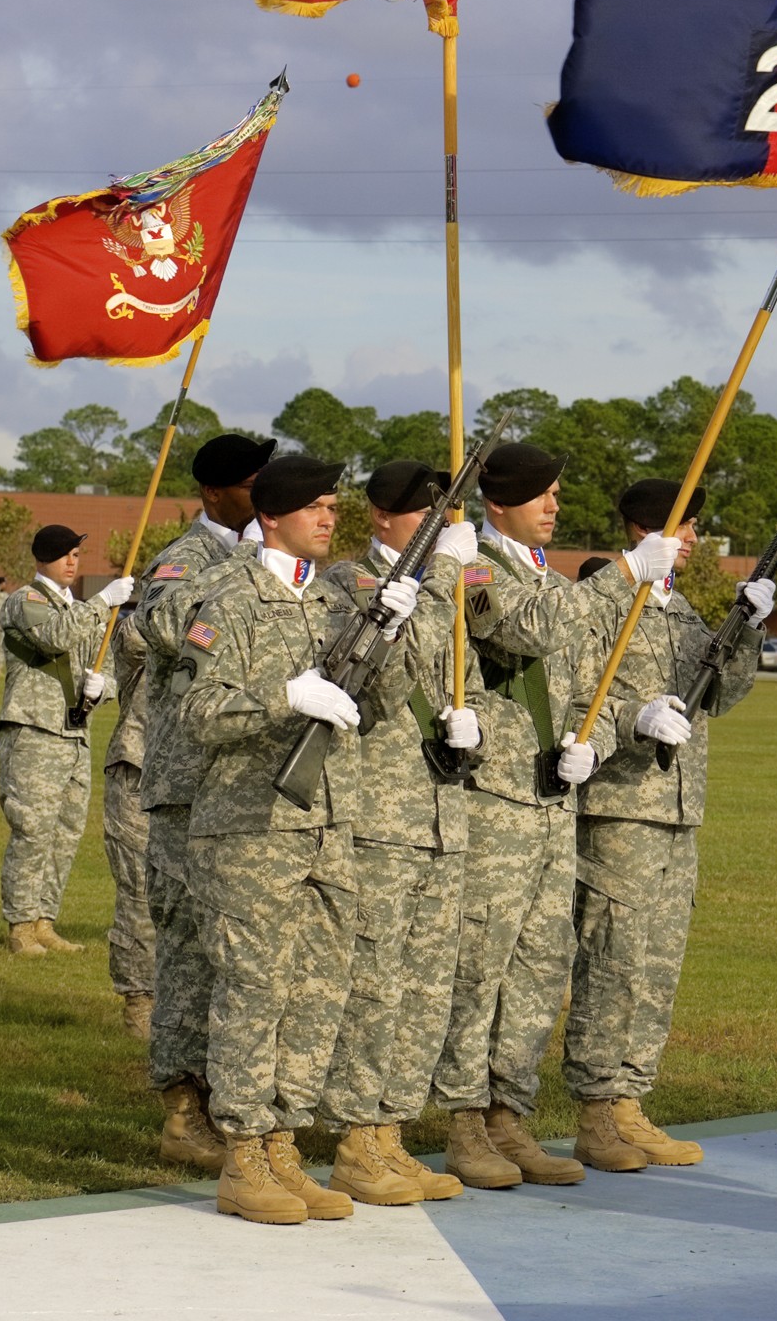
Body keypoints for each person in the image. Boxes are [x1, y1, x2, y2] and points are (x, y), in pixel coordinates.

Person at [177, 454, 426, 1226]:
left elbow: (382, 707)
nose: (329, 518)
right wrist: (283, 698)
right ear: (274, 515)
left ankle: (285, 1144)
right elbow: (199, 715)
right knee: (254, 994)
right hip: (248, 829)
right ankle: (243, 1154)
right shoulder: (227, 594)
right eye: (316, 507)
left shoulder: (335, 600)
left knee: (316, 997)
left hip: (327, 825)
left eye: (333, 507)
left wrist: (394, 631)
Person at [433, 442, 680, 1190]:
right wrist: (622, 579)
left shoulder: (549, 578)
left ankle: (511, 1114)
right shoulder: (473, 570)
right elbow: (521, 631)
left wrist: (597, 741)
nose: (554, 506)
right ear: (499, 502)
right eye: (541, 494)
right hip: (495, 803)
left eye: (558, 494)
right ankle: (464, 1121)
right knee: (480, 965)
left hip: (552, 803)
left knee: (539, 970)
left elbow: (584, 694)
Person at [563, 479, 770, 1170]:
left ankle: (630, 1101)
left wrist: (748, 627)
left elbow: (724, 694)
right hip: (620, 806)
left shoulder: (680, 612)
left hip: (677, 810)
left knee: (656, 966)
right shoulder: (604, 603)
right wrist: (634, 718)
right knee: (614, 960)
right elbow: (577, 699)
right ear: (640, 530)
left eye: (691, 528)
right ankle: (596, 1109)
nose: (690, 539)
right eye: (680, 527)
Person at [318, 459, 481, 1206]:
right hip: (379, 815)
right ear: (382, 518)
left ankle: (392, 1131)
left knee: (424, 986)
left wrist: (470, 729)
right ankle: (355, 1137)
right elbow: (383, 671)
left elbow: (460, 676)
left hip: (442, 812)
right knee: (374, 983)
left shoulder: (441, 589)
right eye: (425, 514)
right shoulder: (349, 584)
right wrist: (445, 578)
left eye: (444, 514)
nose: (439, 527)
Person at [135, 432, 275, 1175]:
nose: (267, 494)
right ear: (219, 492)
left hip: (246, 786)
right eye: (257, 484)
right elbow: (155, 626)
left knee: (240, 954)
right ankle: (184, 1111)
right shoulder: (188, 560)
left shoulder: (271, 559)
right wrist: (245, 565)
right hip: (189, 785)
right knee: (190, 950)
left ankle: (236, 1099)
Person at [0, 525, 132, 955]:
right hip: (35, 728)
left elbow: (108, 663)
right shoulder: (27, 600)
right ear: (42, 560)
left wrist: (103, 686)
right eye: (64, 555)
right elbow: (53, 636)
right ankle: (20, 924)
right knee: (32, 829)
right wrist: (102, 602)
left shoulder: (85, 609)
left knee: (66, 832)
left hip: (75, 733)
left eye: (76, 554)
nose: (72, 562)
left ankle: (44, 920)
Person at [105, 601, 155, 1039]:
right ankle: (139, 998)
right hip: (142, 763)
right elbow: (135, 637)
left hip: (205, 774)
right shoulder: (154, 613)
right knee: (139, 887)